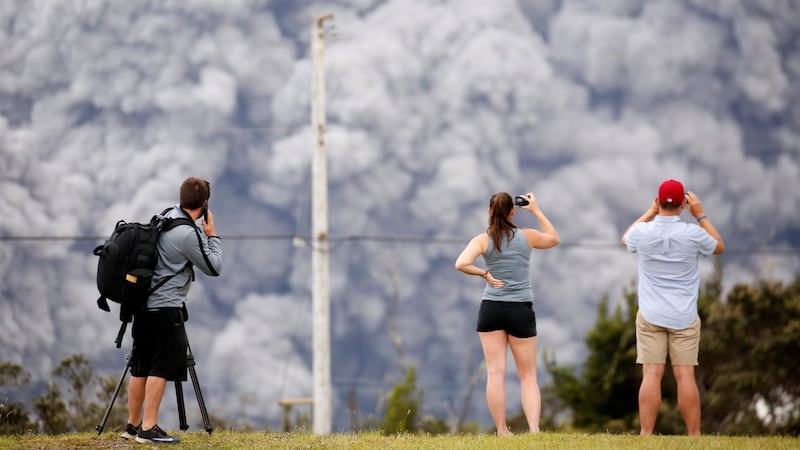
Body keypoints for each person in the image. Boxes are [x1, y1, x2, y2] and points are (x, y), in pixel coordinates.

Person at [121, 177, 223, 444]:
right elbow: (214, 267)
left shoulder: (166, 215)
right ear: (204, 204)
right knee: (162, 366)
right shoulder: (188, 233)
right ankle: (149, 427)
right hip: (166, 309)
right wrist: (212, 235)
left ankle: (132, 426)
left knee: (140, 365)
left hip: (143, 305)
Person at [621, 179, 724, 436]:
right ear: (683, 205)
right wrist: (700, 215)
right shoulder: (692, 233)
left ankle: (646, 434)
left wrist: (649, 212)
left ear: (659, 202)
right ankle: (694, 435)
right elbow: (718, 246)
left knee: (651, 375)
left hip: (651, 314)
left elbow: (626, 238)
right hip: (684, 315)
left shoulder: (643, 233)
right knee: (685, 376)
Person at [455, 192, 559, 435]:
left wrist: (485, 275)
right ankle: (534, 430)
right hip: (520, 309)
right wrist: (536, 211)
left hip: (491, 308)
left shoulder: (482, 240)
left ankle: (502, 430)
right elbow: (553, 239)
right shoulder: (528, 236)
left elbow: (461, 264)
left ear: (490, 212)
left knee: (495, 372)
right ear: (513, 211)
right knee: (528, 375)